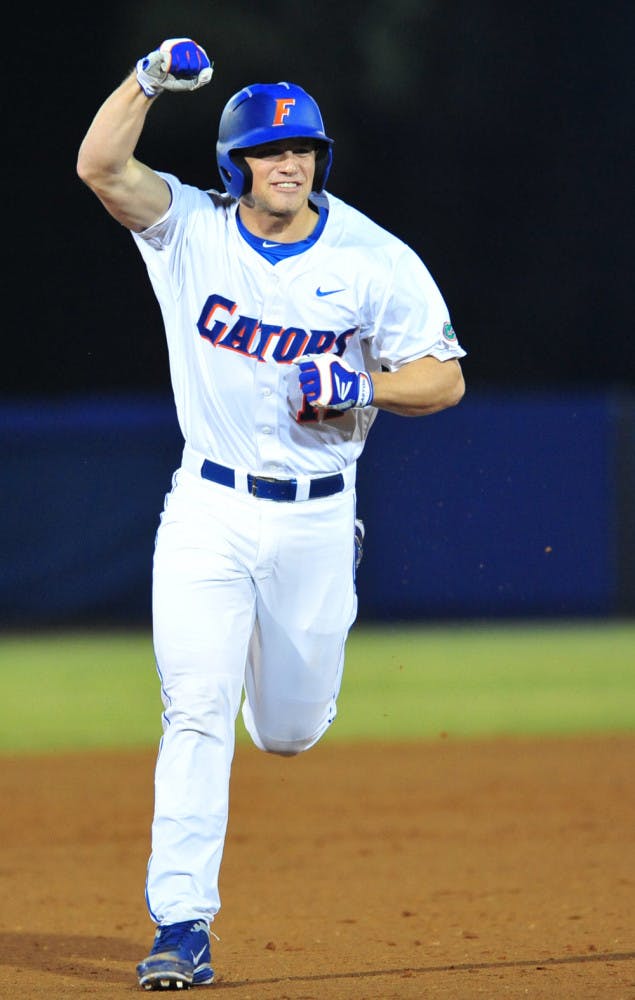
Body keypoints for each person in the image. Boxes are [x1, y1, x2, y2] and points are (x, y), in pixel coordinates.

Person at [77, 37, 466, 991]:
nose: (288, 163)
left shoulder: (373, 258)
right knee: (195, 710)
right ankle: (182, 925)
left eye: (303, 150)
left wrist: (364, 382)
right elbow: (99, 168)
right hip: (206, 509)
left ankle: (285, 680)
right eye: (268, 150)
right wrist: (147, 80)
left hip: (317, 522)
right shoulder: (189, 231)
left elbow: (445, 379)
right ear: (234, 164)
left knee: (288, 731)